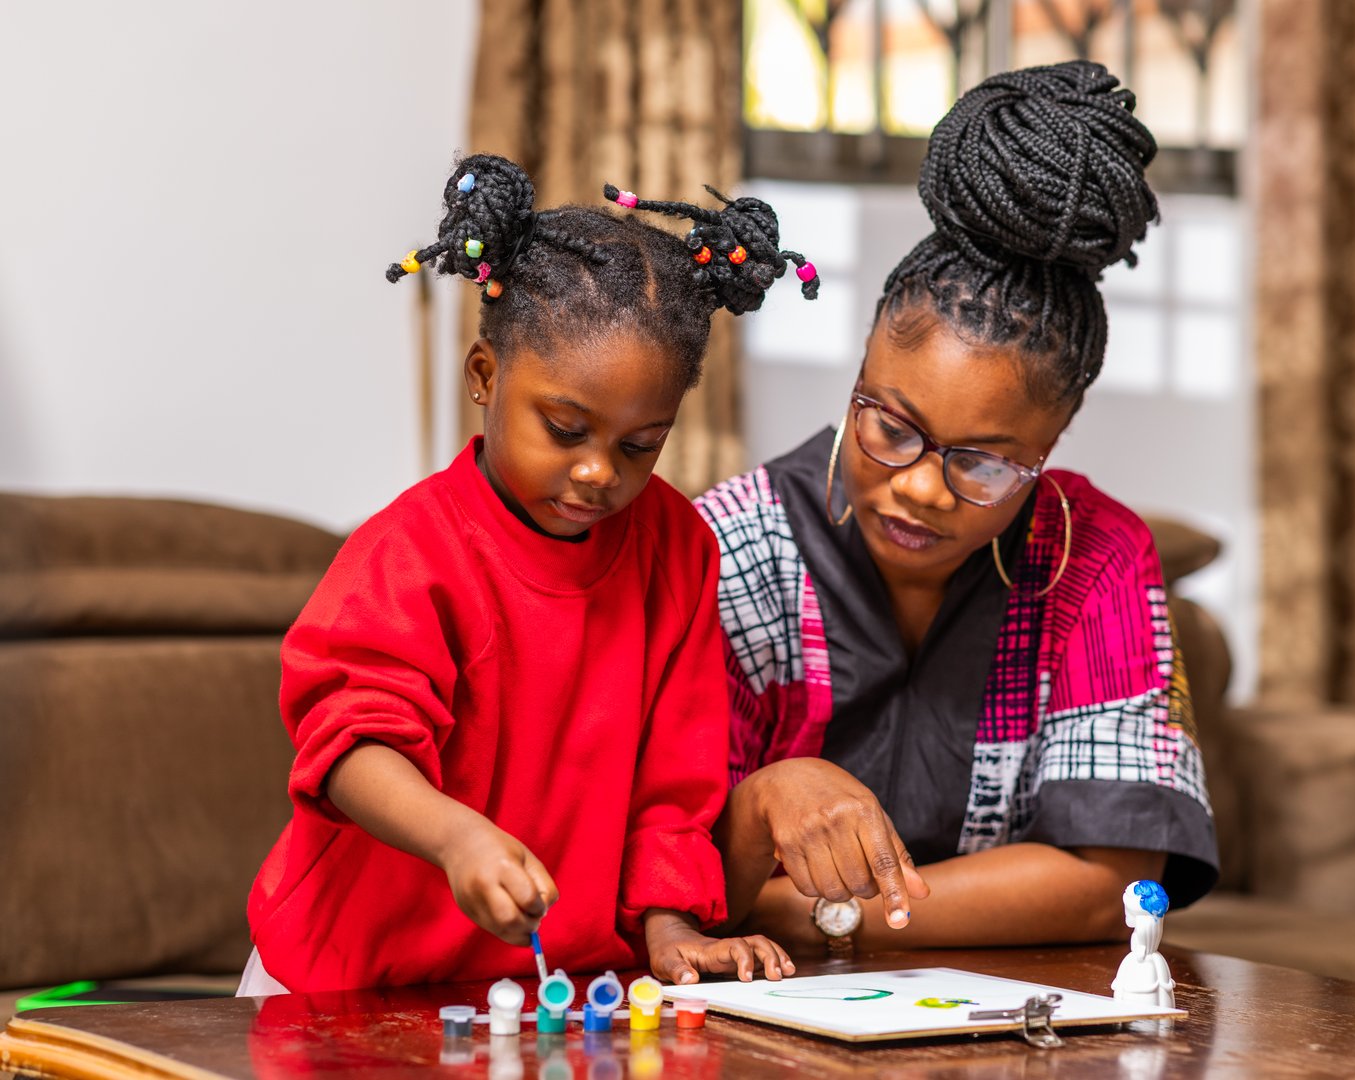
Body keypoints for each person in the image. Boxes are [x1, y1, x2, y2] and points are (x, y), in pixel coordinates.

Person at [242, 155, 817, 993]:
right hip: (349, 979)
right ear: (485, 376)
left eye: (638, 446)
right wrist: (453, 836)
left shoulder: (677, 549)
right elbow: (349, 742)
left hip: (554, 985)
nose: (597, 472)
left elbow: (675, 779)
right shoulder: (410, 549)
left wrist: (670, 925)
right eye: (564, 428)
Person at [697, 62, 1218, 954]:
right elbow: (669, 862)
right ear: (858, 374)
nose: (922, 487)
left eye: (982, 462)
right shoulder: (729, 546)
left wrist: (812, 912)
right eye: (891, 427)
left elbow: (1112, 886)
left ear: (1047, 450)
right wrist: (768, 801)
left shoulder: (1093, 559)